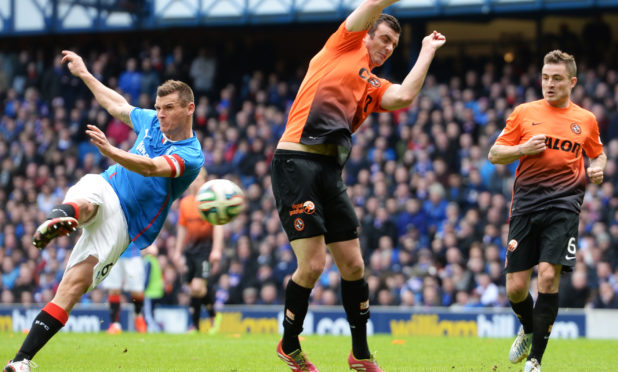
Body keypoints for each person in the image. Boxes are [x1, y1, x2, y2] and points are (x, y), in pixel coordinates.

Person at [270, 1, 445, 371]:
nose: (385, 48)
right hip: (296, 162)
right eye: (382, 39)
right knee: (314, 264)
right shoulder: (343, 46)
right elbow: (370, 5)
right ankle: (289, 343)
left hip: (330, 171)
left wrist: (426, 51)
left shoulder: (375, 84)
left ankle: (360, 354)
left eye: (392, 46)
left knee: (353, 265)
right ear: (366, 33)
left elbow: (404, 96)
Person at [3, 50, 203, 372]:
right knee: (89, 201)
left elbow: (152, 168)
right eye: (158, 108)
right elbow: (116, 105)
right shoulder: (151, 122)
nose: (160, 115)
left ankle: (21, 361)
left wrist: (112, 150)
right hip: (107, 186)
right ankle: (62, 215)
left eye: (168, 108)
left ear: (189, 108)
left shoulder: (191, 155)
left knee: (73, 287)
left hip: (126, 223)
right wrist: (84, 73)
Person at [488, 50, 606, 372]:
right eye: (544, 77)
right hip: (525, 206)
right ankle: (528, 329)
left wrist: (597, 169)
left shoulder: (586, 120)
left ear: (572, 82)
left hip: (564, 207)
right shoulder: (523, 113)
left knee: (549, 277)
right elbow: (494, 154)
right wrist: (522, 149)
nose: (549, 84)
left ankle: (535, 361)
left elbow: (598, 154)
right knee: (515, 288)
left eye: (556, 78)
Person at [171, 168, 224, 334]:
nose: (195, 182)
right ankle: (214, 315)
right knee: (197, 289)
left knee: (196, 286)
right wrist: (178, 251)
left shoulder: (210, 201)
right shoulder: (185, 202)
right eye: (193, 179)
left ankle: (194, 325)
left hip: (205, 250)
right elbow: (182, 228)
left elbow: (218, 226)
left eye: (198, 179)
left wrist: (216, 249)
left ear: (205, 181)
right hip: (190, 250)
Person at [99, 244, 147, 334]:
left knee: (136, 291)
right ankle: (115, 324)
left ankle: (138, 315)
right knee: (114, 289)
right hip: (113, 254)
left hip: (133, 254)